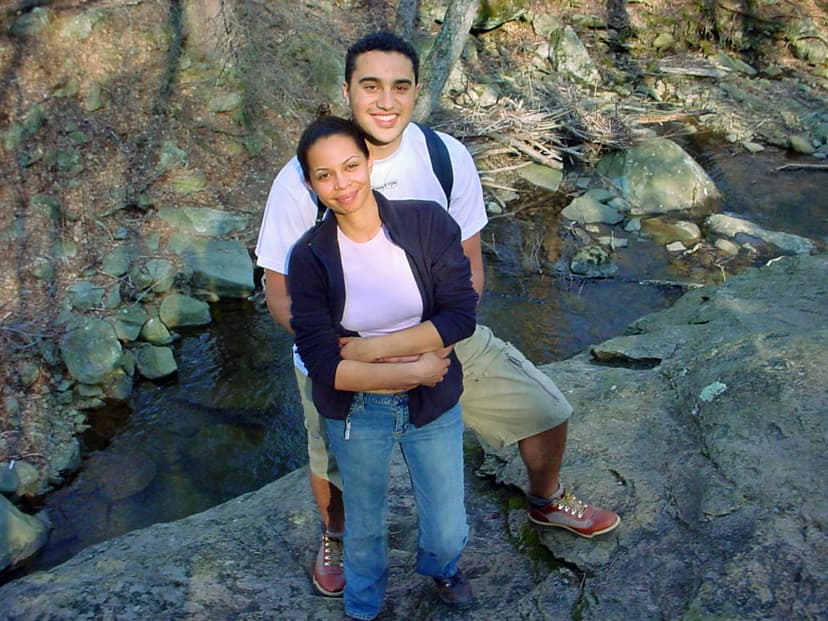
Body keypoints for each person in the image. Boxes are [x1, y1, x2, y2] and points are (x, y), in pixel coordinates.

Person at [255, 31, 620, 599]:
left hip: (441, 338)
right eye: (370, 85)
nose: (385, 100)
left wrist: (438, 340)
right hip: (343, 352)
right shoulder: (308, 177)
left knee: (546, 410)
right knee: (330, 460)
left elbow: (471, 268)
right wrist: (341, 356)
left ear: (417, 92)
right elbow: (278, 289)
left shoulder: (445, 157)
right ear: (348, 90)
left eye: (400, 87)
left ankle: (544, 501)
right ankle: (335, 535)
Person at [288, 115, 478, 620]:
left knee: (447, 527)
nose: (341, 184)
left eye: (350, 166)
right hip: (357, 411)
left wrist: (369, 350)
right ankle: (363, 608)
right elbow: (326, 367)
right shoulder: (307, 257)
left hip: (432, 403)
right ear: (310, 184)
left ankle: (441, 567)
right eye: (324, 175)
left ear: (369, 161)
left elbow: (460, 315)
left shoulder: (428, 223)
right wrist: (413, 370)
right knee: (365, 527)